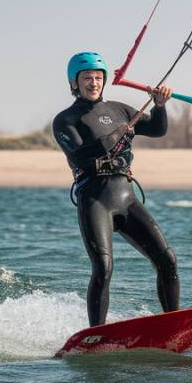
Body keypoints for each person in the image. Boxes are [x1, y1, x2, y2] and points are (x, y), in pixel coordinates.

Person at [53, 51, 179, 327]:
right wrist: (118, 134)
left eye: (98, 77)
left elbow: (157, 129)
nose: (93, 82)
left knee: (167, 259)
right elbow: (81, 156)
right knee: (104, 267)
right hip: (95, 199)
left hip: (126, 196)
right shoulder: (65, 121)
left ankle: (172, 323)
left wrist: (159, 106)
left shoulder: (119, 110)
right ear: (74, 83)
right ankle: (96, 333)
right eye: (87, 78)